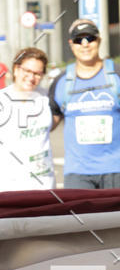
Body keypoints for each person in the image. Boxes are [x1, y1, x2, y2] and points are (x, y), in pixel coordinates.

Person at [49, 18, 120, 189]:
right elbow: (48, 123)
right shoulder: (61, 81)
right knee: (78, 217)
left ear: (99, 40)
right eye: (78, 40)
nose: (85, 44)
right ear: (71, 44)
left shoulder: (117, 74)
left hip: (116, 170)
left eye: (90, 38)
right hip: (77, 173)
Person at [0, 47, 55, 191]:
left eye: (37, 73)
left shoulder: (47, 98)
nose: (31, 77)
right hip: (7, 187)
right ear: (16, 70)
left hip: (45, 186)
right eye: (27, 71)